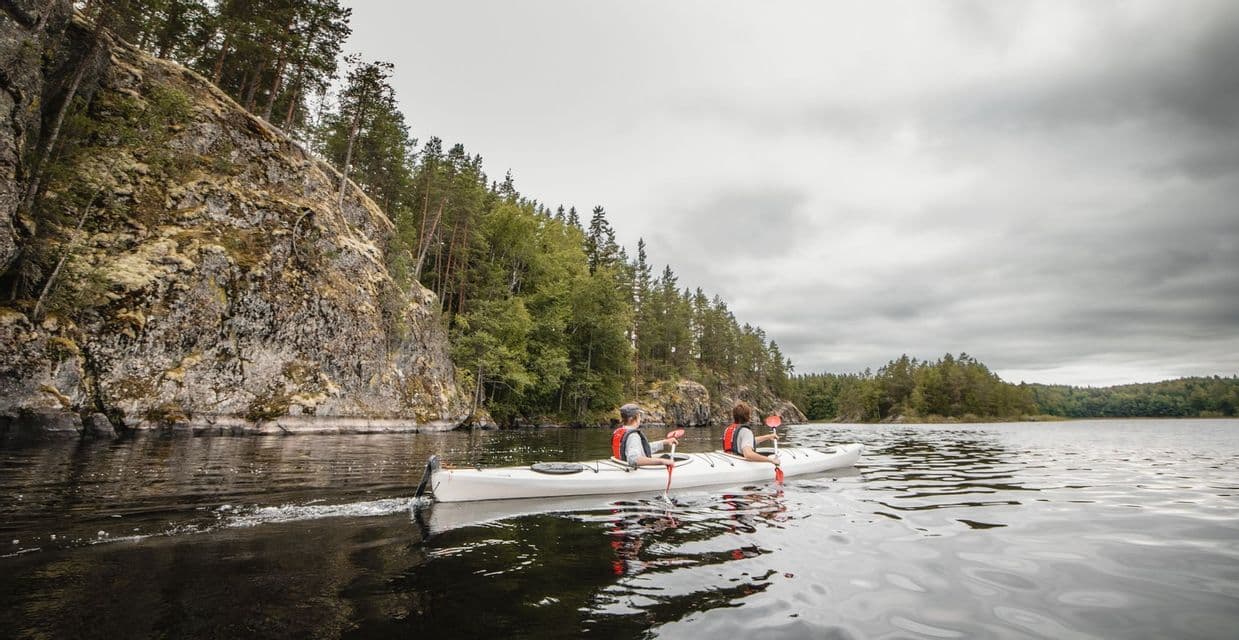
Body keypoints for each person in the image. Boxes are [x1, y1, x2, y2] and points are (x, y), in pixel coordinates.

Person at [611, 403, 679, 467]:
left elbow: (643, 449)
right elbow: (633, 459)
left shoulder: (620, 431)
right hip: (633, 470)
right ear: (635, 417)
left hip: (621, 465)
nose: (640, 418)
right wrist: (662, 461)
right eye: (639, 415)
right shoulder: (633, 436)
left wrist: (664, 442)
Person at [722, 402, 779, 467]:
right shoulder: (746, 431)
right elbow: (748, 455)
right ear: (747, 416)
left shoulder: (728, 429)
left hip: (729, 458)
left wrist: (768, 436)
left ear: (734, 416)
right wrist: (771, 460)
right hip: (739, 463)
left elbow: (748, 441)